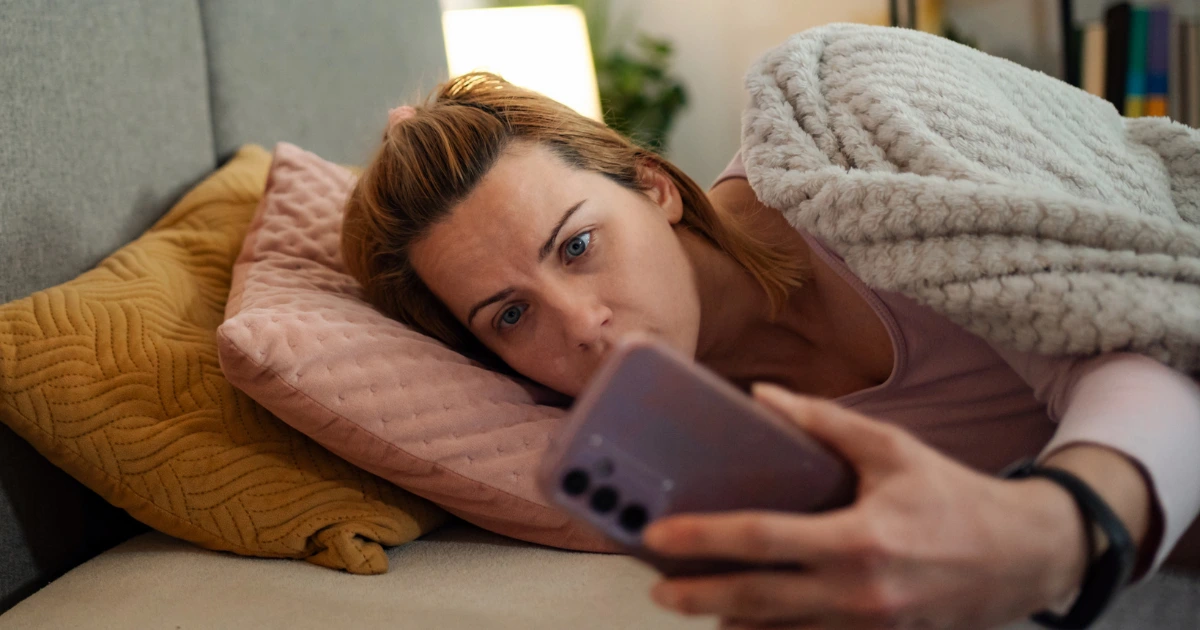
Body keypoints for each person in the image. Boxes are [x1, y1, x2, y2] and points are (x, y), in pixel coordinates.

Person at [340, 71, 1200, 630]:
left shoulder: (843, 128)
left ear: (655, 186)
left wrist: (1049, 530)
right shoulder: (711, 453)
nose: (583, 325)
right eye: (510, 316)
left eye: (575, 246)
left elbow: (1149, 324)